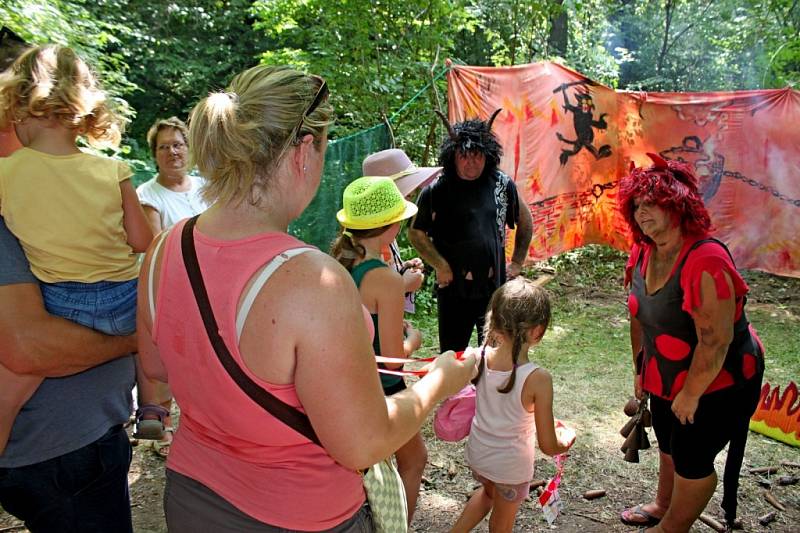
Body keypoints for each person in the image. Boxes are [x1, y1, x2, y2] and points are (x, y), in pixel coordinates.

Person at [136, 65, 477, 531]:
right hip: (299, 515)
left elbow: (156, 367)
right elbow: (364, 442)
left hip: (193, 498)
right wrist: (440, 381)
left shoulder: (165, 247)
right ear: (303, 151)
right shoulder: (314, 280)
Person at [0, 53, 137, 533]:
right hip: (63, 453)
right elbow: (27, 347)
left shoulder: (16, 185)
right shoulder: (108, 172)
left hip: (80, 438)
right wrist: (141, 336)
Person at [618, 154, 765, 532]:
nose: (642, 213)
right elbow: (639, 314)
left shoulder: (706, 259)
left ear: (678, 205)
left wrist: (691, 393)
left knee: (693, 455)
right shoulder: (643, 250)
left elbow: (715, 341)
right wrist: (642, 370)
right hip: (668, 370)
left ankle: (672, 527)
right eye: (637, 206)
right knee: (668, 440)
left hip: (720, 377)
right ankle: (663, 504)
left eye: (652, 204)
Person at [330, 175, 427, 523]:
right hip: (381, 388)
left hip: (348, 382)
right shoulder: (385, 280)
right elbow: (394, 362)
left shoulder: (341, 263)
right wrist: (413, 340)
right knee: (414, 460)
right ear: (393, 226)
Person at [450, 277, 576, 533]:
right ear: (538, 331)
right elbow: (549, 446)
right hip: (510, 469)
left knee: (487, 494)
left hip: (478, 457)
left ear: (493, 321)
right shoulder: (538, 379)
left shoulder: (477, 357)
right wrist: (568, 438)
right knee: (502, 521)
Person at [409, 110, 533, 353]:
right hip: (454, 290)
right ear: (453, 156)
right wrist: (440, 264)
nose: (471, 162)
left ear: (487, 155)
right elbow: (416, 233)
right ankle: (453, 392)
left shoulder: (501, 184)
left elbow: (525, 220)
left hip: (494, 288)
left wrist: (517, 262)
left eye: (477, 155)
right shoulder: (437, 190)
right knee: (453, 355)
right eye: (464, 156)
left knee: (495, 354)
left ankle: (488, 392)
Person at [135, 116, 209, 457]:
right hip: (169, 286)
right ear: (154, 154)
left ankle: (203, 426)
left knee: (204, 360)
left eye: (177, 144)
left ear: (188, 149)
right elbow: (155, 243)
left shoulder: (205, 186)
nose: (172, 152)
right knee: (167, 357)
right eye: (163, 147)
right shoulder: (148, 194)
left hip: (208, 282)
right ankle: (161, 428)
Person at [362, 148, 441, 313]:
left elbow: (382, 272)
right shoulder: (366, 244)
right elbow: (364, 299)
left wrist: (402, 269)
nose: (410, 199)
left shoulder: (386, 233)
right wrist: (403, 285)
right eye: (408, 195)